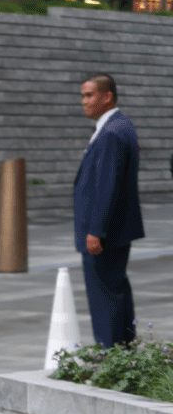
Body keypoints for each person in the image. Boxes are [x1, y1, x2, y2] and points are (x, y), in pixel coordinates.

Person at [74, 73, 144, 348]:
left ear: (107, 97)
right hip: (114, 230)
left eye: (89, 95)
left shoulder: (112, 133)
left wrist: (96, 230)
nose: (84, 102)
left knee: (104, 296)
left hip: (105, 233)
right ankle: (124, 349)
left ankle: (110, 354)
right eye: (83, 96)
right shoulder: (118, 127)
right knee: (115, 290)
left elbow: (107, 185)